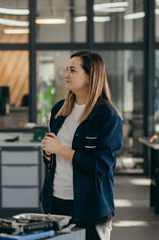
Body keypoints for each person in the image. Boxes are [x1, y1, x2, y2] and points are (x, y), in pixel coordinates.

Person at [40, 50, 123, 240]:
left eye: (72, 70)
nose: (65, 74)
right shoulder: (59, 110)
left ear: (89, 76)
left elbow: (101, 166)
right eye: (66, 69)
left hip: (90, 207)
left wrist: (60, 150)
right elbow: (51, 160)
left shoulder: (108, 116)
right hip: (55, 202)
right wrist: (48, 152)